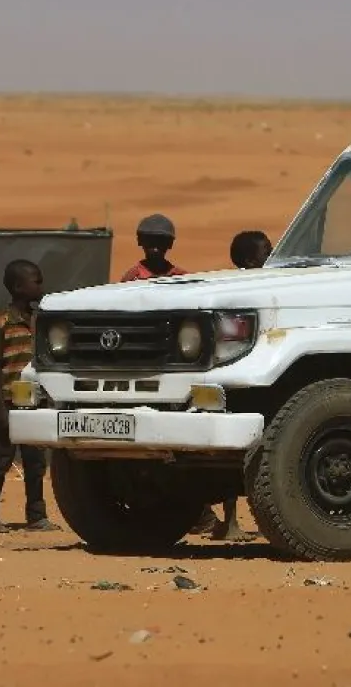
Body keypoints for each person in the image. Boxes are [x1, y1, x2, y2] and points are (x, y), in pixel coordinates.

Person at [196, 230, 277, 543]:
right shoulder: (245, 289)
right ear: (248, 260)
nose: (271, 256)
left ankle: (230, 522)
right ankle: (229, 523)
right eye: (265, 252)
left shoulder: (239, 285)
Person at [0, 260, 61, 534]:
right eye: (35, 281)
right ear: (17, 287)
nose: (40, 286)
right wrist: (0, 407)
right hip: (10, 402)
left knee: (35, 463)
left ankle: (36, 515)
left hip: (34, 404)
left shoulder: (41, 321)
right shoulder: (3, 321)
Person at [121, 214, 187, 281]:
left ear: (170, 244)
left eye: (161, 243)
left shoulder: (181, 277)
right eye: (150, 242)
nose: (155, 249)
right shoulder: (132, 278)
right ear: (140, 241)